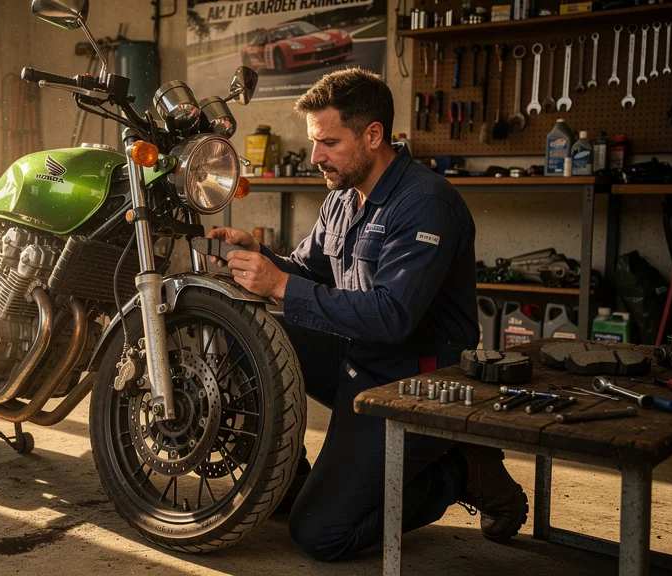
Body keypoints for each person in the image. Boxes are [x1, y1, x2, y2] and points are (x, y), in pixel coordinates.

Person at [206, 68, 528, 561]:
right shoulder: (342, 198)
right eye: (314, 142)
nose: (316, 157)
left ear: (373, 135)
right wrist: (262, 259)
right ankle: (287, 478)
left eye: (329, 142)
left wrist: (280, 285)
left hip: (414, 377)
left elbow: (392, 316)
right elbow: (306, 271)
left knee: (321, 534)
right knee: (242, 327)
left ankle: (463, 470)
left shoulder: (425, 203)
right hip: (358, 354)